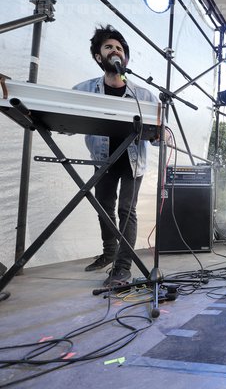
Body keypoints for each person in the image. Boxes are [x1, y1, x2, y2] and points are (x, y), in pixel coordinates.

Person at [72, 25, 158, 287]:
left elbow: (157, 133)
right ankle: (110, 251)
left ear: (125, 59)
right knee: (103, 209)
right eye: (108, 47)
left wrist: (160, 133)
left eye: (119, 48)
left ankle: (122, 268)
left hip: (133, 163)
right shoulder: (83, 89)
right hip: (103, 161)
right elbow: (65, 119)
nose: (114, 51)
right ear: (99, 57)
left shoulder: (144, 95)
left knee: (126, 211)